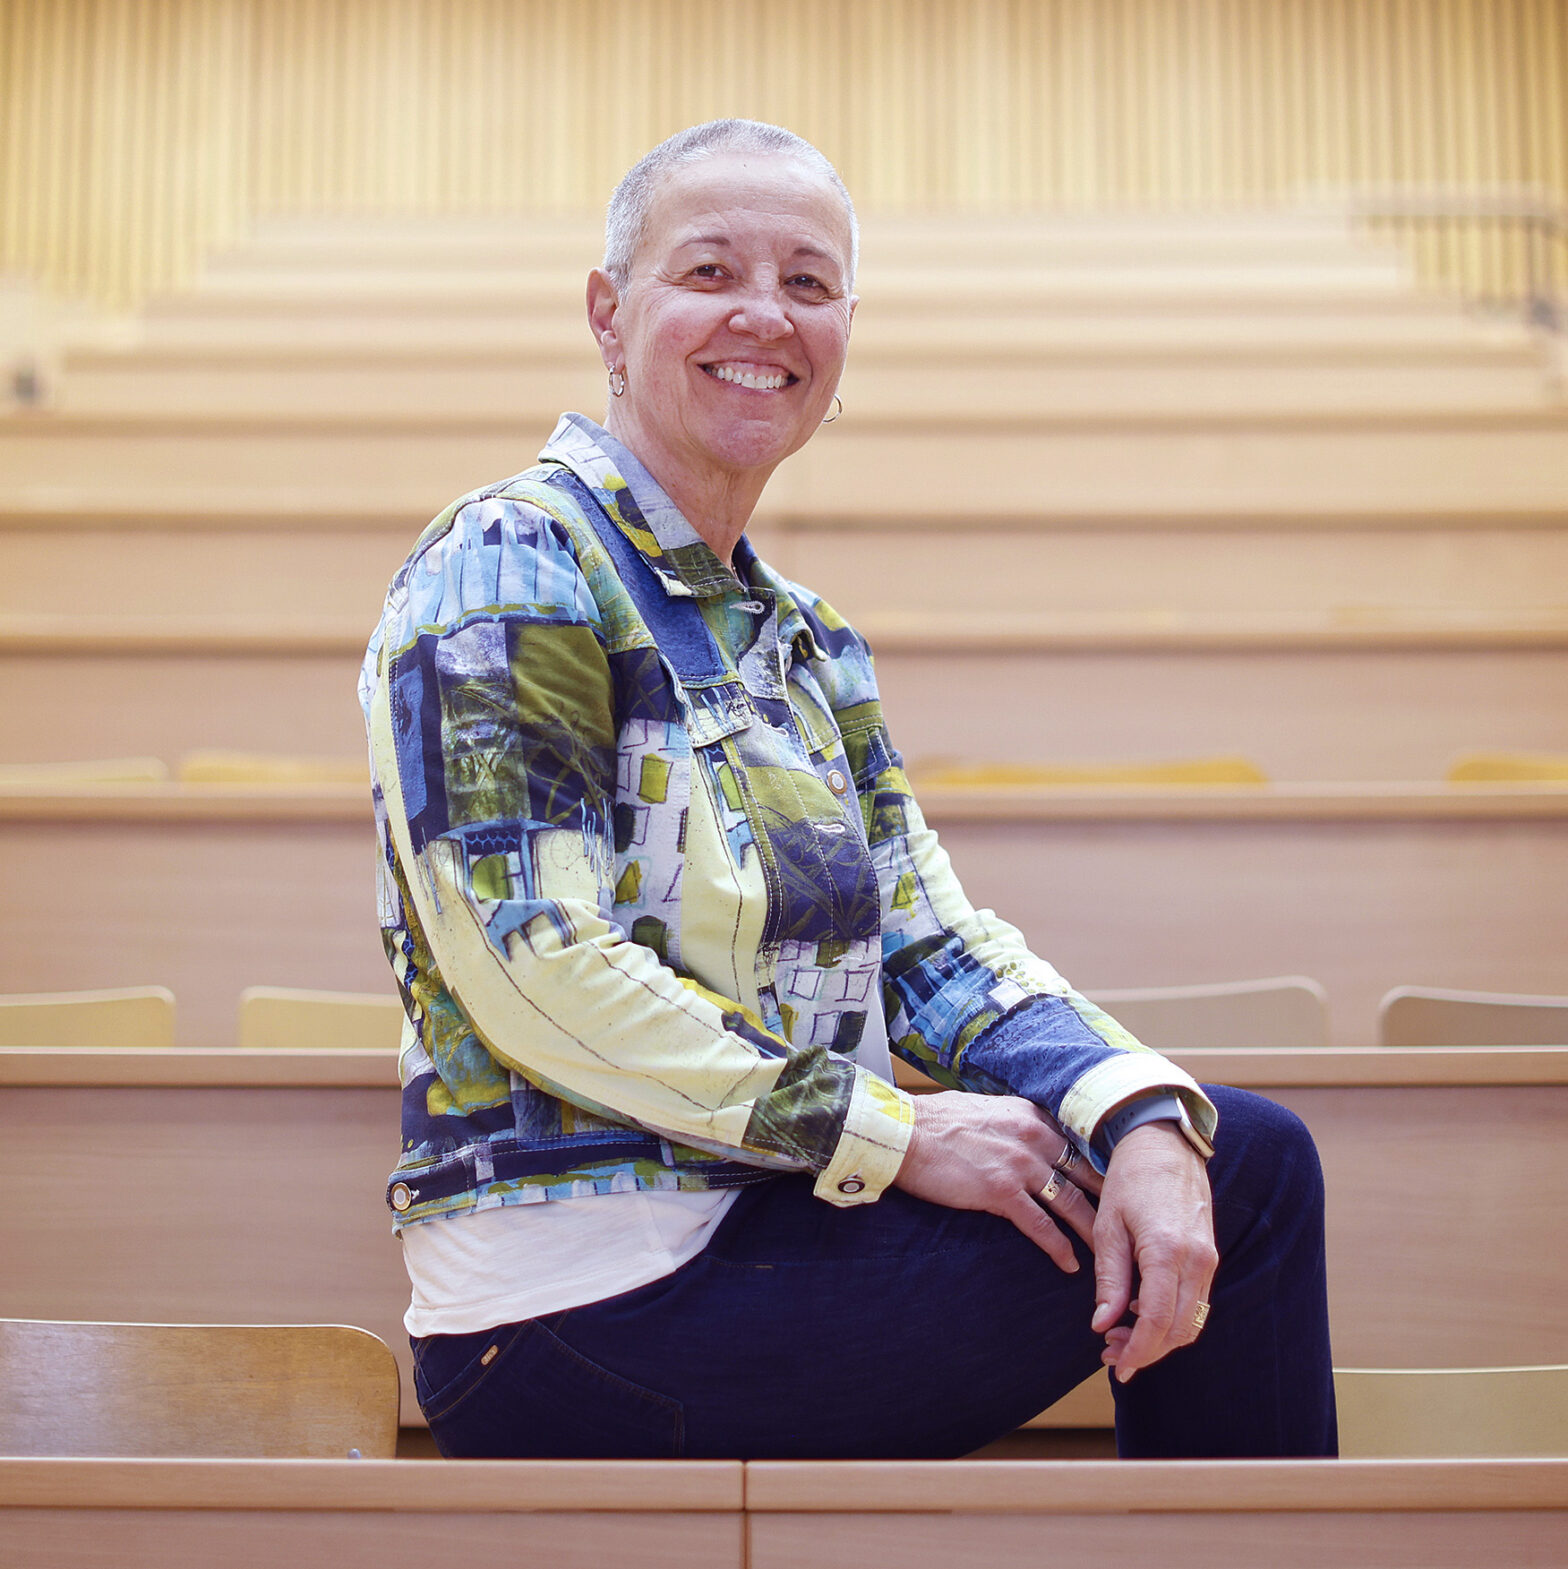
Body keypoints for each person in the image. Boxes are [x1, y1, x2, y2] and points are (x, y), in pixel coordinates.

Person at [361, 118, 1336, 1461]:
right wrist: (888, 1128)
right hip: (569, 1305)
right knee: (1266, 1179)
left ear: (844, 335)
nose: (763, 313)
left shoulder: (806, 640)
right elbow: (538, 962)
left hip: (759, 1228)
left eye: (809, 284)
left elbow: (932, 952)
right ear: (608, 312)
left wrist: (1137, 1105)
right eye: (710, 270)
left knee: (1220, 1161)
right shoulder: (509, 561)